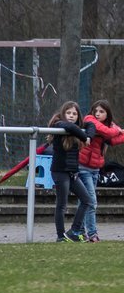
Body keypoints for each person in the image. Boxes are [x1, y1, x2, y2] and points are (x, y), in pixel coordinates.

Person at [71, 99, 124, 242]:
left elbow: (115, 139)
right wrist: (116, 130)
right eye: (96, 111)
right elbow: (108, 131)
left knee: (84, 201)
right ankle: (92, 234)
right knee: (91, 201)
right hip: (83, 168)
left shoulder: (107, 128)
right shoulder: (90, 120)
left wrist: (118, 131)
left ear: (107, 114)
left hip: (95, 169)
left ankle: (79, 231)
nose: (98, 114)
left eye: (102, 111)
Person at [44, 100, 95, 242]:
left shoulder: (78, 127)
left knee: (87, 200)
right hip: (60, 172)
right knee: (62, 204)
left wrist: (88, 136)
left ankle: (74, 231)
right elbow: (68, 126)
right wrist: (84, 137)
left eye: (74, 113)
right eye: (68, 113)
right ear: (63, 114)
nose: (71, 116)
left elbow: (91, 125)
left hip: (72, 172)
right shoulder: (59, 125)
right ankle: (60, 236)